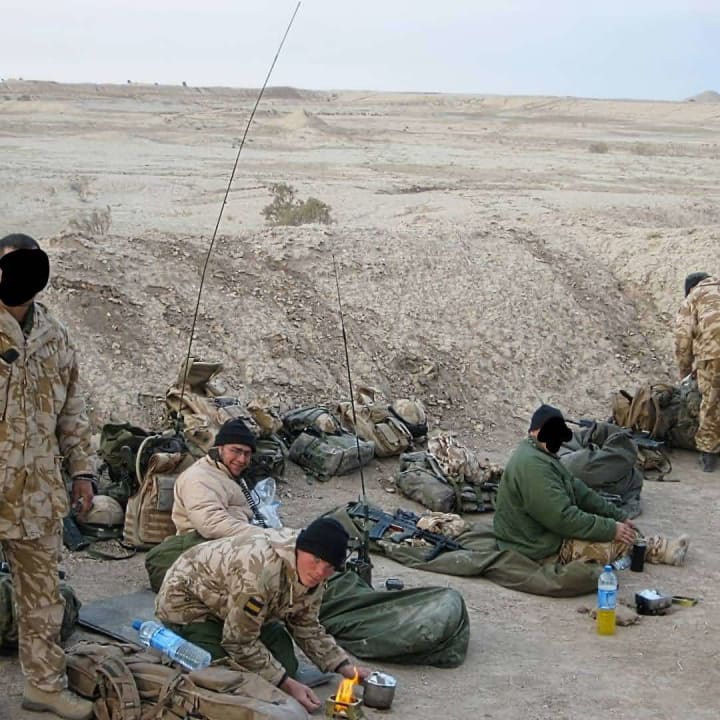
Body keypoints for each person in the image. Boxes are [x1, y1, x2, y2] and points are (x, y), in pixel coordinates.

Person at [0, 234, 95, 720]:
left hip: (36, 492)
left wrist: (82, 472)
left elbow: (72, 411)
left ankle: (44, 686)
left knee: (41, 597)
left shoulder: (54, 337)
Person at [155, 518, 370, 713]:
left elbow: (306, 624)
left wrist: (344, 667)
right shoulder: (260, 571)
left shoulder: (312, 569)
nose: (320, 572)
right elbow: (238, 641)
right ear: (300, 549)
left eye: (330, 566)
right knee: (223, 672)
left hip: (233, 607)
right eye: (316, 560)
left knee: (286, 663)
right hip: (189, 604)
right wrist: (286, 684)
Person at [493, 404, 689, 567]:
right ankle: (661, 551)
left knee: (616, 531)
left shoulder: (542, 455)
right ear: (535, 431)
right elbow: (563, 518)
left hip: (541, 533)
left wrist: (616, 515)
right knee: (613, 544)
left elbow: (579, 491)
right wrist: (611, 528)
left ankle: (656, 547)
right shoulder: (532, 466)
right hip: (533, 546)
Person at [172, 417, 264, 538]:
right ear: (220, 448)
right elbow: (211, 524)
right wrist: (264, 535)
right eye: (235, 451)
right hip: (199, 543)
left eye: (247, 454)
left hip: (228, 539)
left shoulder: (227, 474)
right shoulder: (198, 477)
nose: (242, 459)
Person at [674, 272, 720, 472]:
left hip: (713, 353)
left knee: (712, 402)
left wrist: (685, 371)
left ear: (690, 288)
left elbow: (683, 340)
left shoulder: (694, 297)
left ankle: (708, 454)